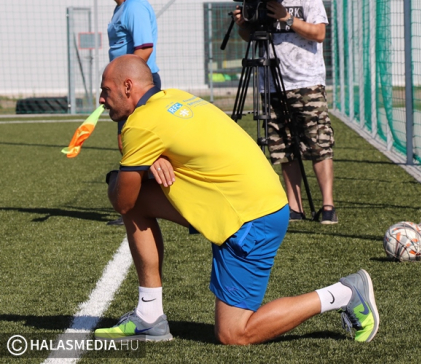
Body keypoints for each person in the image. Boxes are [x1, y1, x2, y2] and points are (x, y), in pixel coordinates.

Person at [94, 55, 379, 344]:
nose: (102, 99)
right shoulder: (173, 97)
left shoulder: (141, 124)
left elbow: (123, 201)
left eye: (106, 90)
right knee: (141, 200)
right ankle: (149, 315)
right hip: (257, 199)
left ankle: (344, 293)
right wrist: (152, 159)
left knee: (234, 333)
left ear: (128, 87)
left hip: (251, 217)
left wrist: (114, 178)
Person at [233, 0, 337, 224]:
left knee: (318, 143)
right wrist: (243, 23)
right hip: (271, 84)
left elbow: (319, 33)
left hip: (306, 81)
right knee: (283, 147)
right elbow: (251, 37)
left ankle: (328, 206)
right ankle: (295, 207)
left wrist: (286, 17)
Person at [99, 0, 160, 226]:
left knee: (136, 145)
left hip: (135, 87)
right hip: (126, 86)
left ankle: (139, 206)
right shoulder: (122, 8)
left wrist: (124, 85)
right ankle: (139, 204)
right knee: (127, 143)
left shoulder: (135, 7)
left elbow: (144, 49)